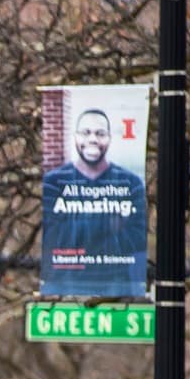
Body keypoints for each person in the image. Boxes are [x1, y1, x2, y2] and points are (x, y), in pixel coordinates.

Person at [42, 105, 149, 294]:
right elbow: (55, 237)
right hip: (64, 288)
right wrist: (109, 226)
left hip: (118, 289)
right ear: (75, 136)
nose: (92, 139)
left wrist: (78, 227)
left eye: (100, 133)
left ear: (109, 138)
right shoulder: (53, 182)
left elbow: (136, 241)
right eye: (85, 132)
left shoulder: (132, 183)